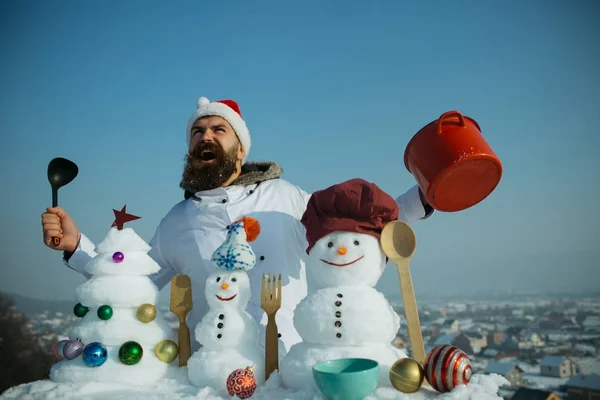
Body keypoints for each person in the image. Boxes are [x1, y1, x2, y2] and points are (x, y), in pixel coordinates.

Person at [41, 96, 434, 353]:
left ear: (241, 149)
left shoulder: (285, 196)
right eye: (197, 132)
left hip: (285, 367)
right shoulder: (177, 221)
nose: (205, 136)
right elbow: (130, 279)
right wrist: (76, 246)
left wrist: (428, 196)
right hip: (208, 373)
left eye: (218, 129)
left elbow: (358, 221)